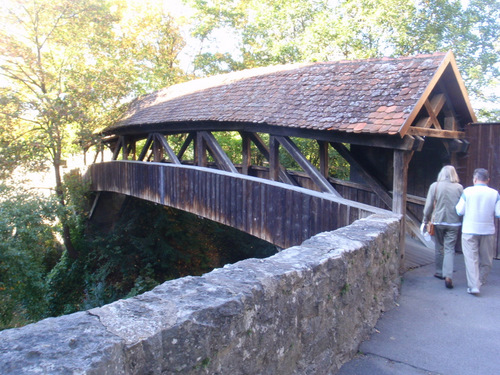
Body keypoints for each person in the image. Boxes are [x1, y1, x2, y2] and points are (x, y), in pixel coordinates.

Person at [456, 168, 500, 295]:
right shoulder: (495, 194)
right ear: (488, 180)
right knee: (486, 259)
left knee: (471, 258)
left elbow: (459, 211)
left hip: (469, 229)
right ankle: (481, 280)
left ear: (475, 179)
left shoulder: (467, 192)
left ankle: (474, 285)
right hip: (487, 230)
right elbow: (498, 214)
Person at [421, 165, 463, 289]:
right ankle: (448, 274)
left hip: (438, 221)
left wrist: (425, 219)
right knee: (450, 248)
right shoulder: (459, 188)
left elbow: (428, 206)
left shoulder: (435, 186)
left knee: (439, 247)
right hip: (454, 222)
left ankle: (439, 272)